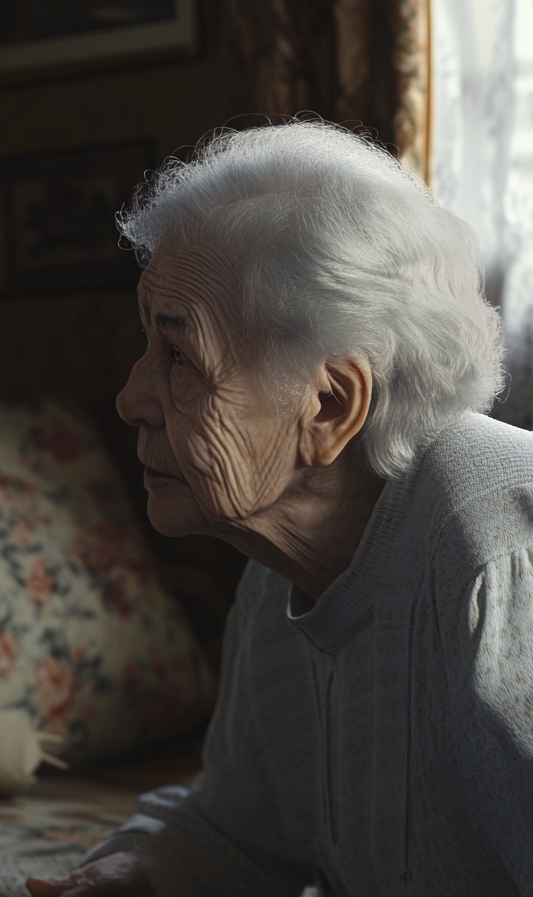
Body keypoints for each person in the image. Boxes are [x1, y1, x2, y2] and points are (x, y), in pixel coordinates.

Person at [28, 120, 533, 897]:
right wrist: (141, 873)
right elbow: (242, 830)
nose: (130, 399)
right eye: (146, 347)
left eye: (180, 357)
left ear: (330, 405)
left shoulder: (494, 552)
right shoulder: (281, 566)